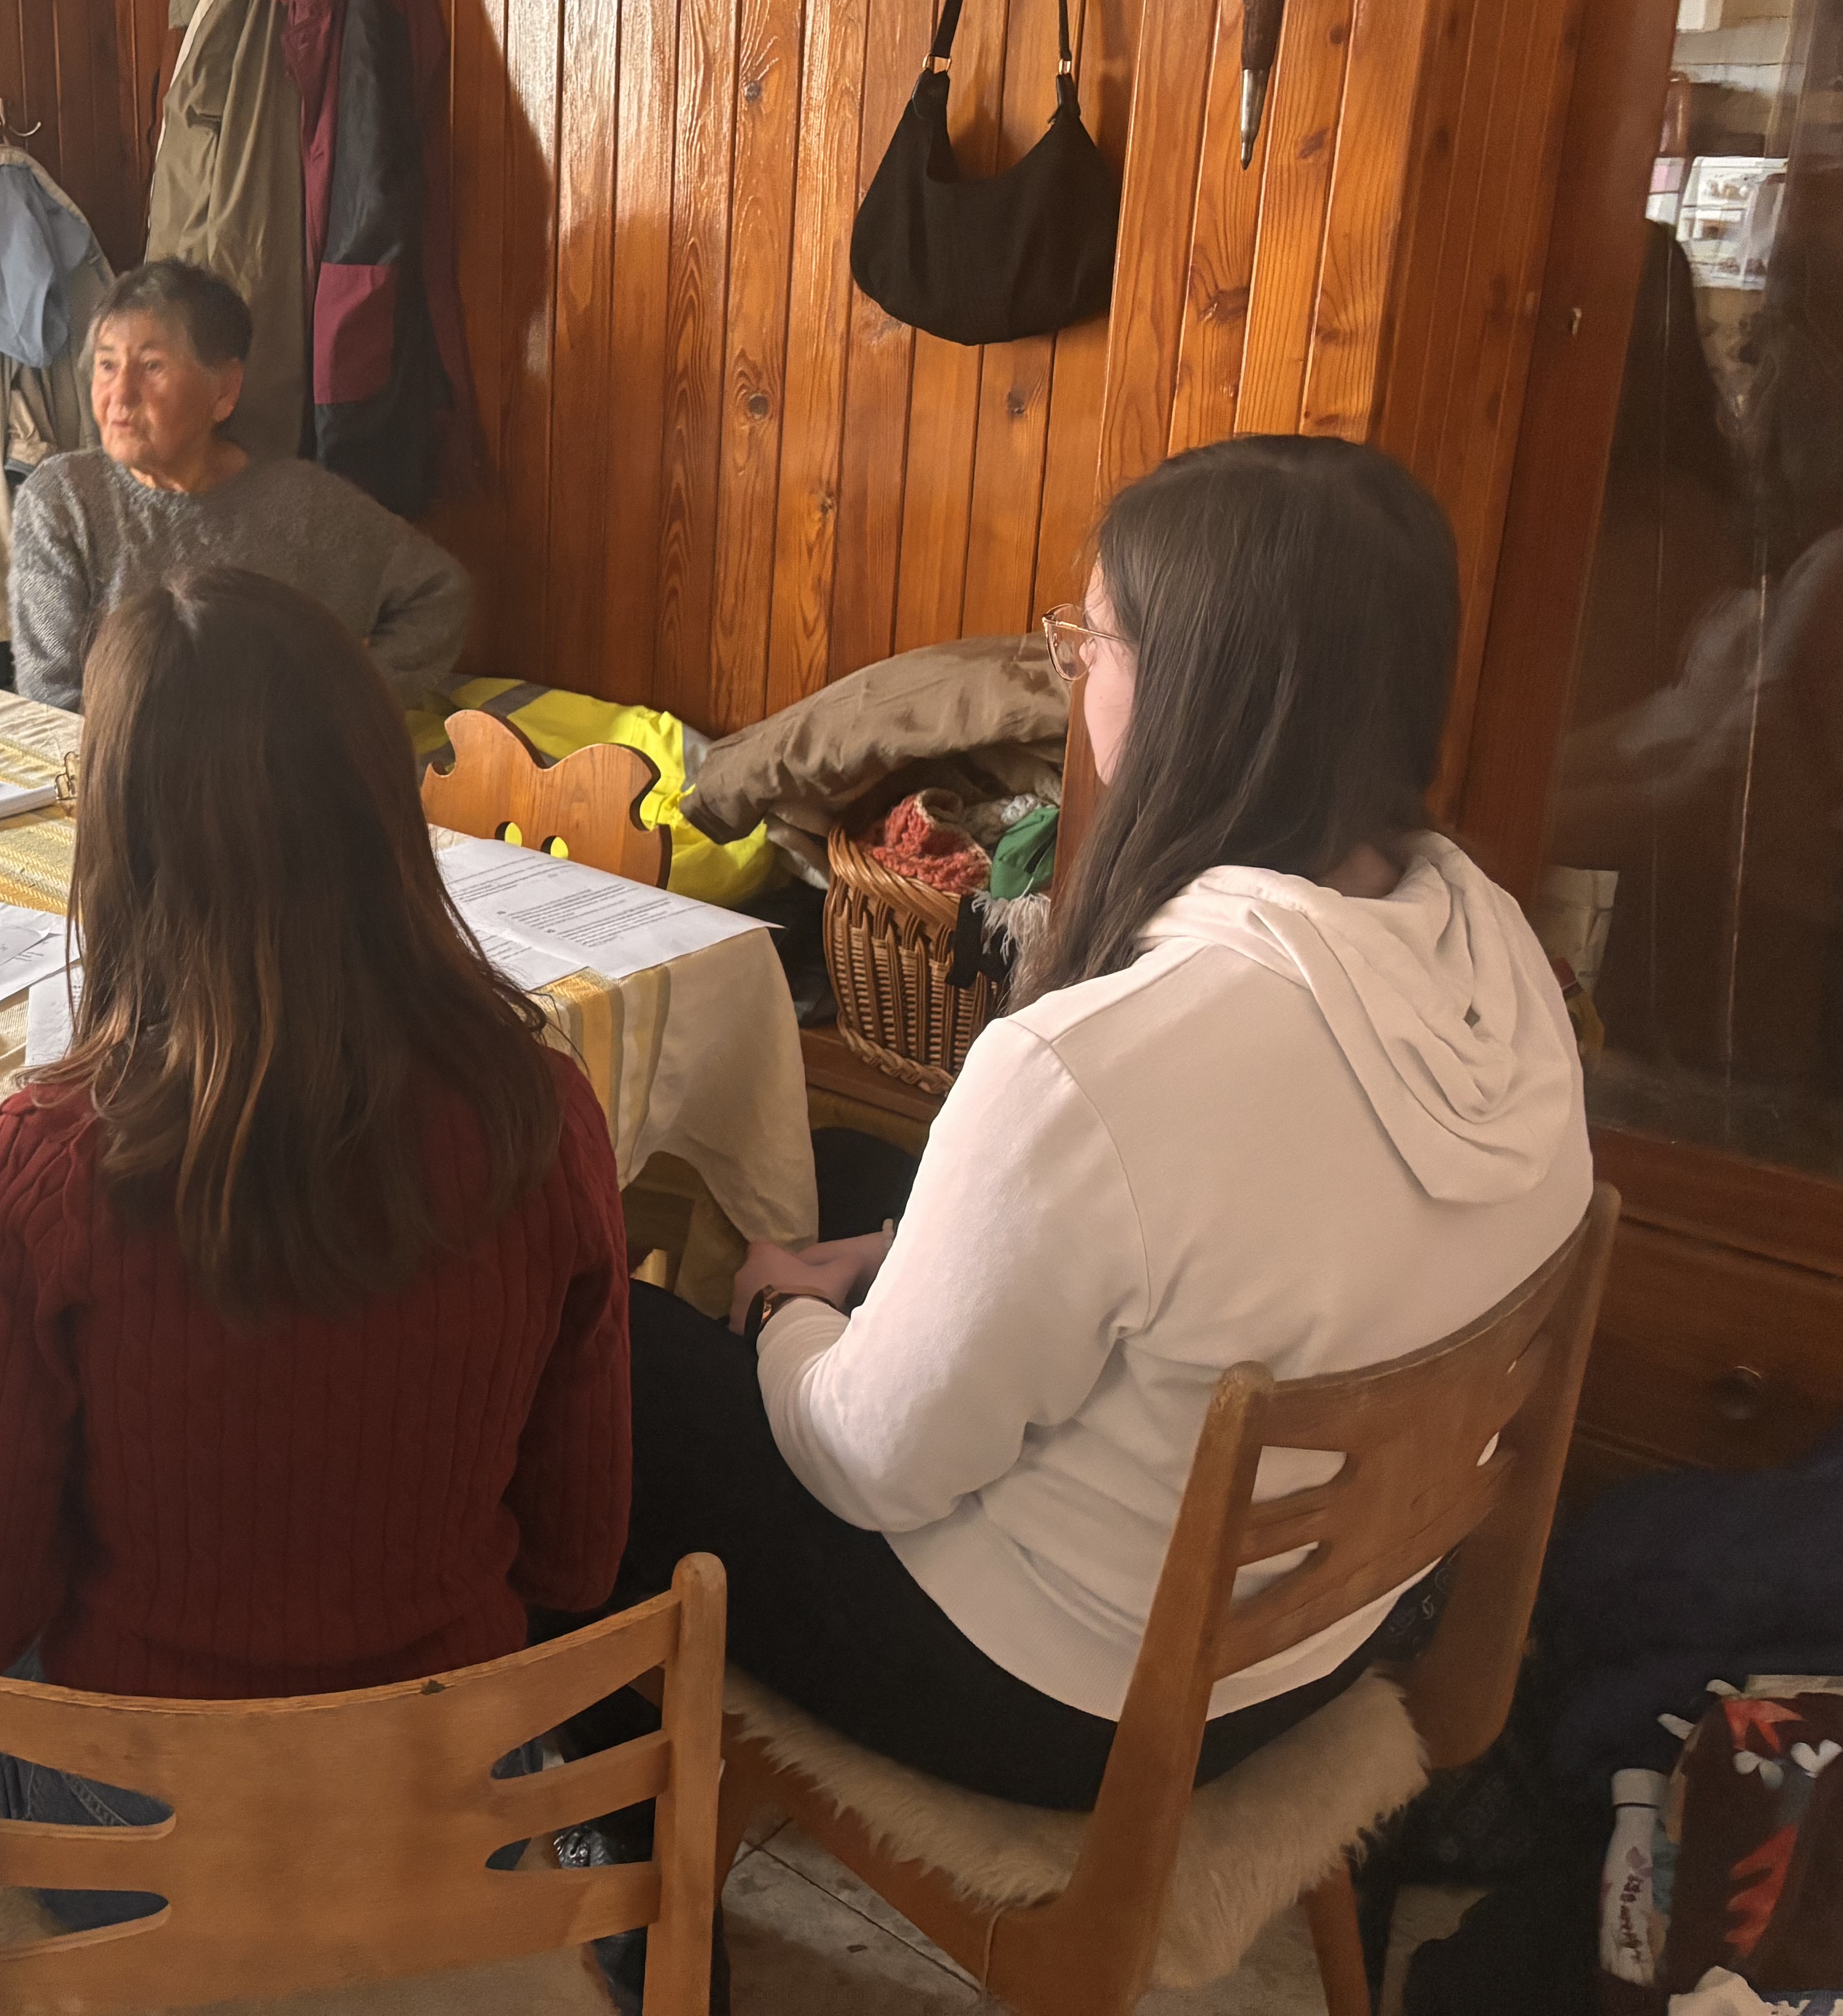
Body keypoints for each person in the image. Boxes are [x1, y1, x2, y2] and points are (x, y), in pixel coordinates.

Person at [618, 435, 1593, 1810]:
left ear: (1204, 692)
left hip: (1065, 1706)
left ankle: (610, 1833)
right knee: (836, 1171)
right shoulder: (1492, 946)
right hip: (1318, 1639)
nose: (1076, 677)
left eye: (1094, 642)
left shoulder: (1101, 1066)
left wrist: (786, 1314)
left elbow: (862, 1463)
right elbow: (1213, 1230)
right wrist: (893, 1257)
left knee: (597, 1347)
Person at [0, 568, 631, 1918]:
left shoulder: (56, 1158)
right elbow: (579, 1554)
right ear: (384, 811)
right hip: (446, 1810)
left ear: (118, 845)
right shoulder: (547, 1118)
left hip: (146, 1842)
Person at [7, 259, 471, 710]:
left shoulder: (301, 505)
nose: (120, 396)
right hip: (110, 759)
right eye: (107, 365)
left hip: (269, 761)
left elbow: (438, 593)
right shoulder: (62, 500)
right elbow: (50, 700)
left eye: (151, 366)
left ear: (224, 390)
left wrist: (348, 706)